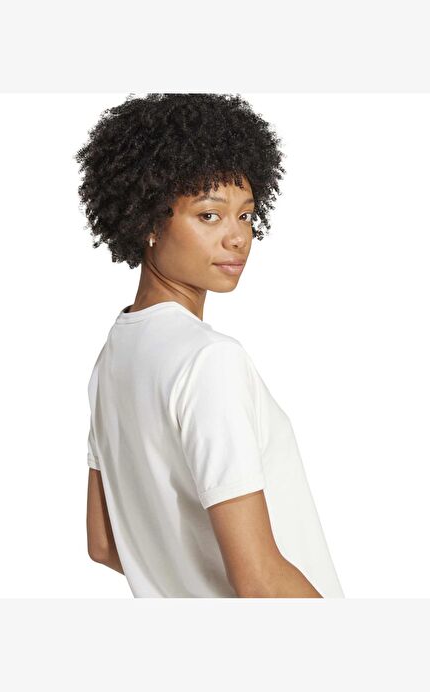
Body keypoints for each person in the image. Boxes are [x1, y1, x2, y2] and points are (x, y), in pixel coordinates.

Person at [76, 93, 344, 598]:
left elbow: (105, 544)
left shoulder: (114, 355)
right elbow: (258, 579)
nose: (238, 238)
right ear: (147, 222)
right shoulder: (208, 360)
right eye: (209, 216)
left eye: (246, 216)